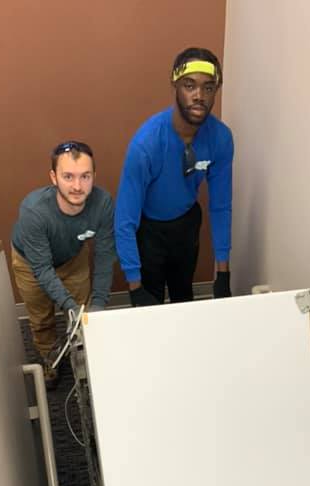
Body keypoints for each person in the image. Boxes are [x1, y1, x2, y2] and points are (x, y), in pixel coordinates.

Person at [115, 47, 234, 308]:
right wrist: (135, 286)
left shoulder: (221, 139)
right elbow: (125, 219)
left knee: (184, 302)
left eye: (208, 87)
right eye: (189, 85)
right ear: (175, 85)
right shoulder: (146, 144)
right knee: (150, 311)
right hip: (149, 231)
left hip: (186, 225)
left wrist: (223, 272)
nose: (199, 96)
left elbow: (221, 206)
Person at [12, 141, 115, 385]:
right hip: (31, 264)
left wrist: (98, 304)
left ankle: (82, 360)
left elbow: (104, 256)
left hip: (73, 258)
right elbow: (42, 269)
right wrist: (69, 306)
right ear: (53, 177)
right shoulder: (33, 211)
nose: (77, 186)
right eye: (68, 176)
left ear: (93, 177)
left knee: (83, 313)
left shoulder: (102, 203)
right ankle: (50, 360)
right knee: (41, 319)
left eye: (85, 176)